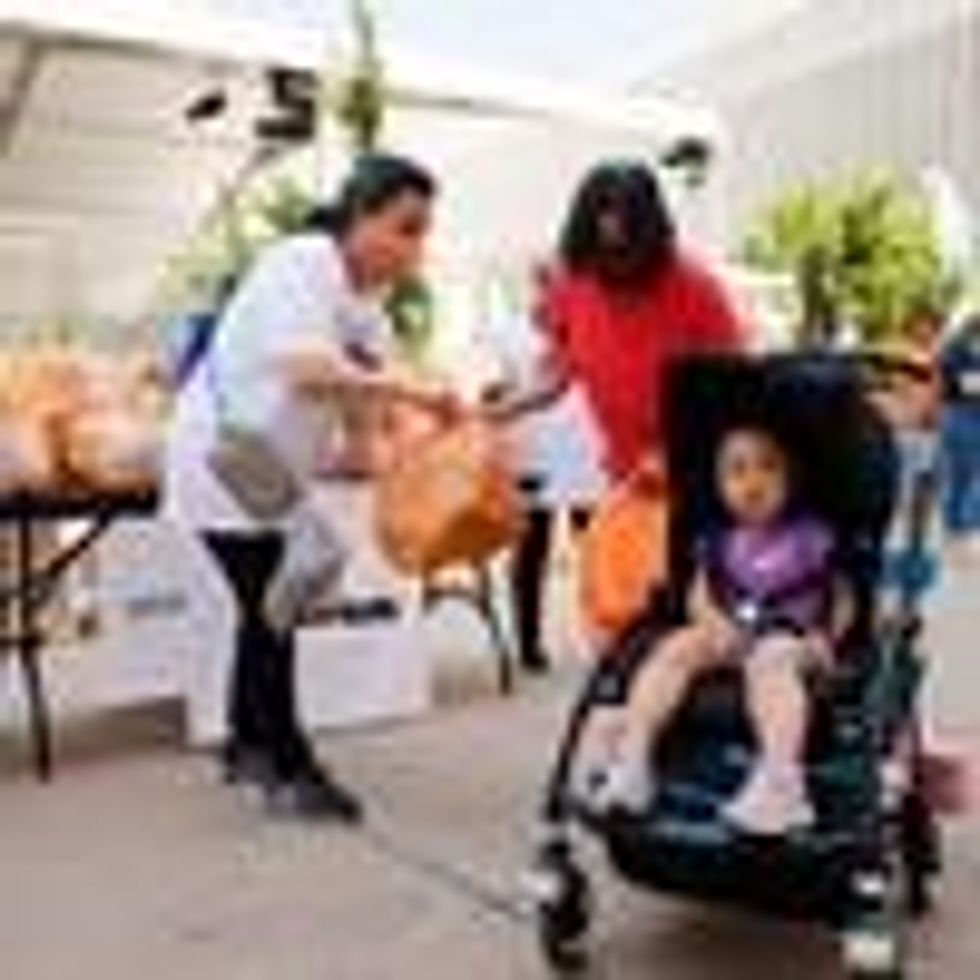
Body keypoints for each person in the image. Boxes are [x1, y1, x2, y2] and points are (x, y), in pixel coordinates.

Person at [166, 154, 453, 823]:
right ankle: (289, 767)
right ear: (359, 217)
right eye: (405, 228)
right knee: (280, 602)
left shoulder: (365, 298)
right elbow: (306, 366)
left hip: (263, 467)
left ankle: (247, 744)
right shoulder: (304, 262)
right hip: (224, 457)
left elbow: (368, 374)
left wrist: (368, 445)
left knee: (272, 602)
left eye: (423, 232)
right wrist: (411, 393)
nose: (416, 248)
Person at [595, 425, 854, 836]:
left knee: (771, 660)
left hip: (789, 636)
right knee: (676, 647)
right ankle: (634, 755)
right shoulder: (719, 540)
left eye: (769, 468)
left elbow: (840, 596)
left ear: (792, 478)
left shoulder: (810, 536)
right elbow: (700, 595)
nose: (753, 481)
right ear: (718, 485)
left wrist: (827, 637)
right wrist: (713, 624)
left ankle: (781, 780)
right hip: (731, 630)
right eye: (737, 471)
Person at [489, 160, 743, 482]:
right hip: (625, 474)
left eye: (624, 249)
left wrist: (676, 455)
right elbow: (555, 378)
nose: (612, 262)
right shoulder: (574, 284)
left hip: (697, 474)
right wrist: (492, 414)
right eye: (601, 248)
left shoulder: (697, 289)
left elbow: (735, 392)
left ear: (652, 238)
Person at [481, 263, 605, 673]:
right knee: (530, 550)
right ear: (535, 288)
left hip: (590, 458)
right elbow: (493, 387)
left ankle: (604, 636)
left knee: (598, 554)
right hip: (532, 454)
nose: (555, 292)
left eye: (564, 284)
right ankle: (529, 644)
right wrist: (491, 399)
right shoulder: (510, 334)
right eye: (547, 284)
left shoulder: (590, 328)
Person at [941, 314, 980, 553]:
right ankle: (963, 531)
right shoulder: (958, 351)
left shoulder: (956, 349)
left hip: (961, 415)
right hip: (963, 415)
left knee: (964, 476)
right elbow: (967, 386)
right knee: (966, 475)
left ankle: (956, 531)